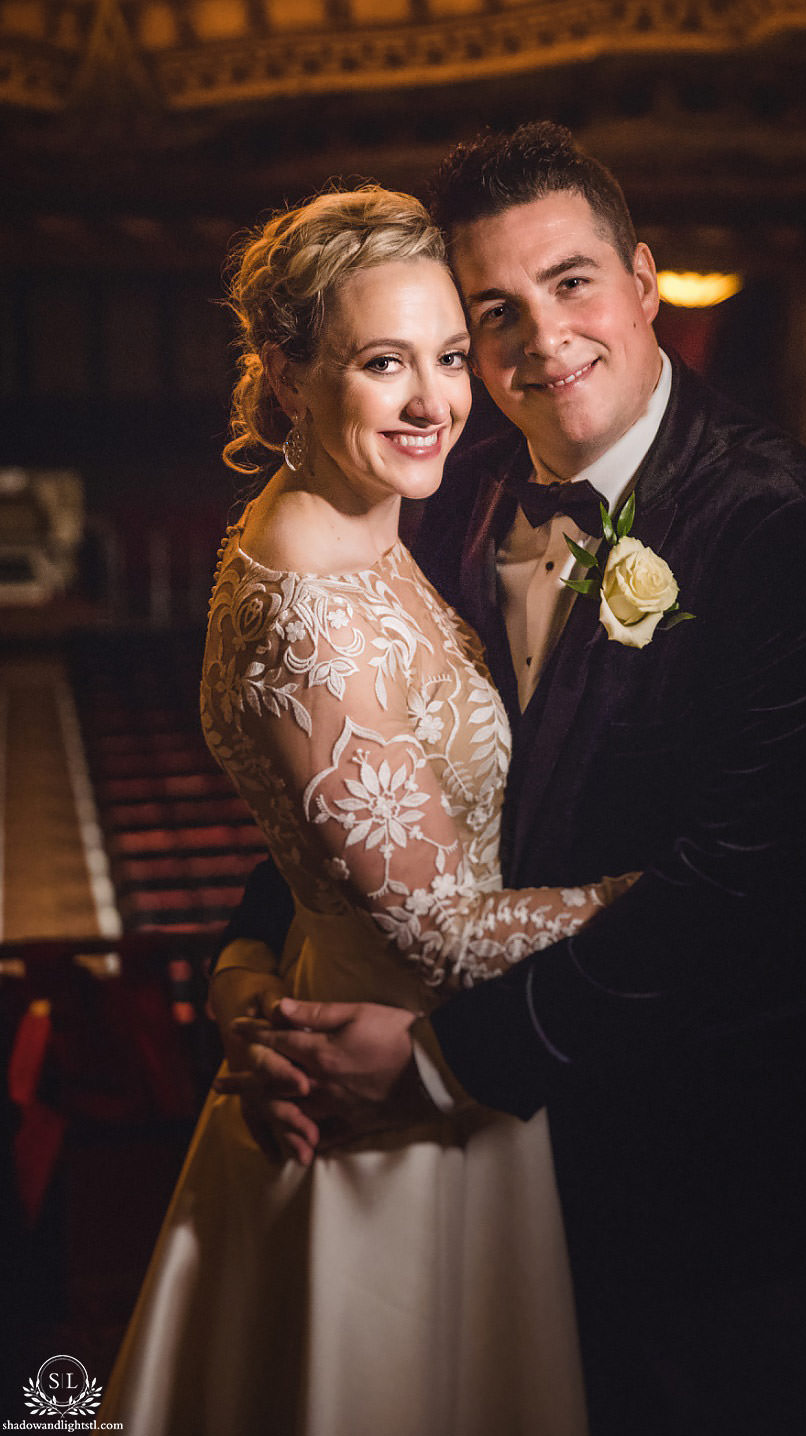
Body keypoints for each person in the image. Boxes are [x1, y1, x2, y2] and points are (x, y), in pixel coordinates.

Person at [210, 126, 806, 1435]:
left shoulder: (782, 525)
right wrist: (261, 976)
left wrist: (427, 1062)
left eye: (573, 282)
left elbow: (731, 900)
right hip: (510, 1152)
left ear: (647, 280)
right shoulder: (446, 487)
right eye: (493, 312)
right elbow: (370, 781)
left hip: (729, 1170)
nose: (540, 339)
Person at [100, 185, 656, 1436]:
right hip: (387, 1099)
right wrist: (695, 887)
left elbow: (338, 840)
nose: (434, 401)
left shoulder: (375, 517)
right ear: (288, 375)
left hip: (424, 1056)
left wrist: (242, 969)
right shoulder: (305, 606)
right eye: (383, 362)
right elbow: (441, 935)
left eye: (450, 356)